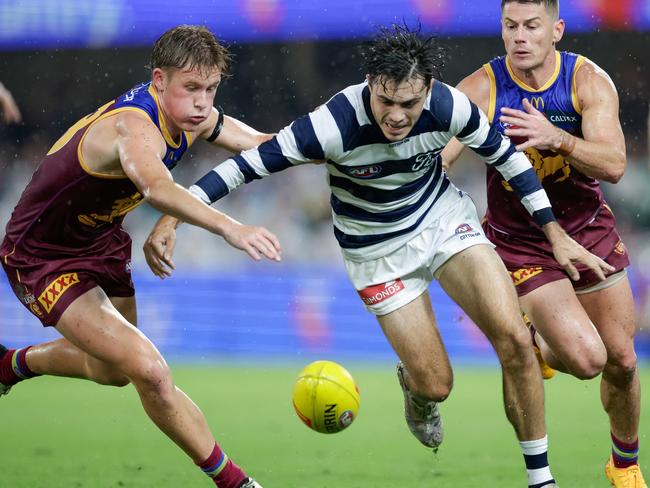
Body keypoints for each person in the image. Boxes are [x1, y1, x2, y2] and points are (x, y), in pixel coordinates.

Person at [146, 24, 615, 488]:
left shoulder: (449, 106)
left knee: (513, 338)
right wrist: (172, 218)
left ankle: (541, 480)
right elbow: (243, 166)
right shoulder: (332, 125)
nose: (395, 116)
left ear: (427, 91)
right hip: (376, 252)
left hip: (442, 221)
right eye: (385, 102)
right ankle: (417, 390)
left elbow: (509, 160)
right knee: (437, 384)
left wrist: (553, 232)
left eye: (409, 104)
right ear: (370, 85)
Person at [0, 25, 281, 488]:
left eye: (211, 89)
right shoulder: (132, 126)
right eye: (191, 88)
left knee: (112, 372)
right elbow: (157, 189)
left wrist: (336, 149)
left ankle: (10, 365)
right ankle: (236, 483)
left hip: (102, 240)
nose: (203, 103)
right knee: (149, 370)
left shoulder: (192, 115)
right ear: (158, 80)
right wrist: (232, 228)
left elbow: (264, 144)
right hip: (41, 255)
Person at [440, 1, 647, 487]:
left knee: (621, 359)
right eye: (510, 26)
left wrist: (558, 137)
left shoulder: (587, 81)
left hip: (587, 227)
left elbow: (614, 165)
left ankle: (625, 466)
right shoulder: (481, 89)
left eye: (532, 26)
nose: (519, 37)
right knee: (587, 359)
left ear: (556, 30)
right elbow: (440, 157)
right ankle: (530, 337)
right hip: (523, 241)